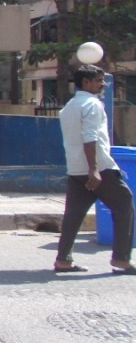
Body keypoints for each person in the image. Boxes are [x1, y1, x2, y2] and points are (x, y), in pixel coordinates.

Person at [54, 64, 135, 274]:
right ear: (86, 82)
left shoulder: (69, 107)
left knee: (73, 215)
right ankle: (121, 259)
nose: (102, 84)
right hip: (99, 167)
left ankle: (63, 260)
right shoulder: (92, 104)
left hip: (75, 168)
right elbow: (90, 137)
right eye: (99, 81)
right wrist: (94, 169)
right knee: (124, 203)